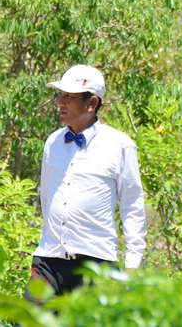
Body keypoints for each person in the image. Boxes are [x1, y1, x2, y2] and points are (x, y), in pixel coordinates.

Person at [26, 64, 146, 302]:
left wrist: (132, 265)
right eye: (60, 95)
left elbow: (132, 206)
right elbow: (47, 197)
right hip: (49, 259)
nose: (61, 102)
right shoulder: (53, 143)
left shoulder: (120, 145)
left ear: (91, 104)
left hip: (95, 264)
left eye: (69, 97)